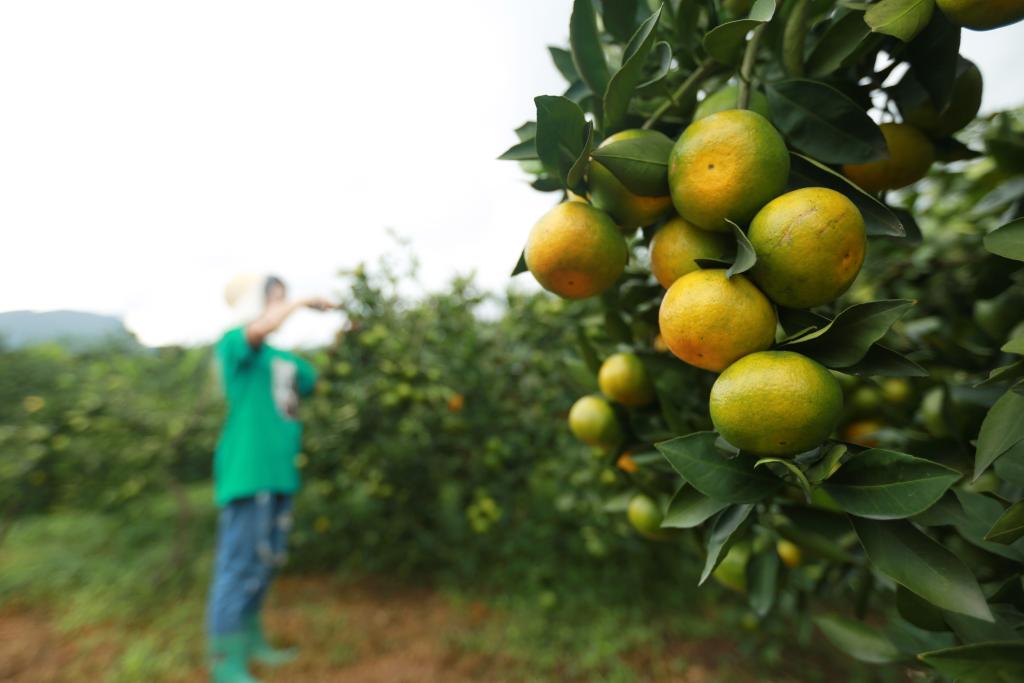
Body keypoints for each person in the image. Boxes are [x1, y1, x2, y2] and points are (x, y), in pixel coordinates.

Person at [207, 274, 335, 683]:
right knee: (239, 565)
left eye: (282, 300)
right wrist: (299, 303)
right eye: (274, 299)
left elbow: (315, 380)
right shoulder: (235, 344)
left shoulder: (285, 360)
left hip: (281, 475)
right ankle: (224, 661)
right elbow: (260, 329)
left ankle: (251, 641)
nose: (281, 307)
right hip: (248, 472)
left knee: (265, 563)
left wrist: (346, 336)